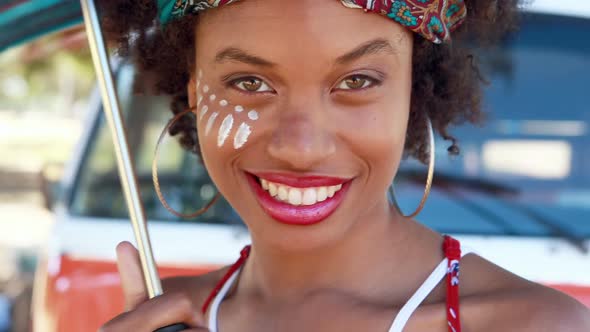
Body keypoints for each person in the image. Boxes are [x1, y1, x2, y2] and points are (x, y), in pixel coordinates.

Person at [98, 0, 590, 331]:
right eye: (248, 83)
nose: (301, 148)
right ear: (193, 94)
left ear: (412, 93)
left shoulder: (533, 324)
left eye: (356, 81)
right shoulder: (165, 317)